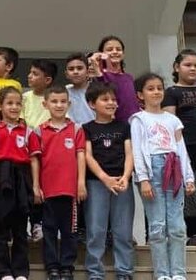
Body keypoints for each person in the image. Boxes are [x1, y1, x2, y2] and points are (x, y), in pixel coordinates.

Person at [131, 73, 195, 280]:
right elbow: (138, 150)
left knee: (176, 226)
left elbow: (181, 149)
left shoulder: (173, 120)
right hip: (153, 169)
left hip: (174, 167)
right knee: (158, 226)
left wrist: (188, 177)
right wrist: (144, 179)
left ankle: (178, 272)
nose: (156, 92)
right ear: (140, 94)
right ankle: (162, 273)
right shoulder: (138, 119)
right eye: (150, 88)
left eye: (159, 87)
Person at [29, 86, 87, 280]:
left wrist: (80, 183)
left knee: (70, 231)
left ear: (69, 104)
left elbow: (81, 156)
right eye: (54, 101)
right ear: (45, 104)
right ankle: (52, 266)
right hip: (48, 190)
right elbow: (35, 160)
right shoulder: (38, 131)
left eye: (63, 101)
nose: (59, 105)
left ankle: (67, 267)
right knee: (49, 230)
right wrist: (36, 186)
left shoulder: (76, 129)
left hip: (70, 190)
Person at [161, 49, 196, 246]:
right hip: (185, 148)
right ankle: (191, 232)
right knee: (190, 191)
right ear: (177, 67)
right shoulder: (171, 92)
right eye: (188, 65)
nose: (193, 69)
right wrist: (176, 149)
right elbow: (170, 123)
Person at [83, 81, 134, 280]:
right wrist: (104, 178)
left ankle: (125, 271)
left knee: (123, 230)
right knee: (96, 230)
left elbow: (129, 153)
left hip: (122, 182)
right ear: (92, 104)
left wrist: (126, 177)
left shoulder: (124, 126)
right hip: (96, 183)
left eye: (113, 99)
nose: (111, 103)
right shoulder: (86, 128)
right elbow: (87, 156)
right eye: (105, 99)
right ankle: (95, 272)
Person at [0, 86, 32, 280]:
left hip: (21, 177)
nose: (14, 107)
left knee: (21, 227)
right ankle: (3, 272)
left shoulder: (27, 131)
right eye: (9, 103)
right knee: (1, 226)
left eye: (18, 104)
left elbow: (34, 160)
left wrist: (35, 185)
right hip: (0, 176)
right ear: (0, 106)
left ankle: (20, 271)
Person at [95, 36, 140, 123]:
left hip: (134, 123)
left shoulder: (129, 77)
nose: (115, 52)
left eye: (118, 49)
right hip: (115, 125)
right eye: (110, 49)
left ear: (123, 54)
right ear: (102, 54)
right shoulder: (100, 76)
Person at [21, 60, 55, 131]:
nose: (29, 76)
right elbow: (21, 121)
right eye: (30, 72)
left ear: (47, 80)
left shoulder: (55, 99)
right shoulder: (24, 97)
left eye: (35, 74)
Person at [63, 54, 95, 126]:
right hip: (71, 134)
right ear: (66, 74)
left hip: (94, 134)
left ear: (88, 72)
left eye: (79, 68)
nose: (75, 72)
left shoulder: (97, 90)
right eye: (71, 69)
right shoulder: (63, 92)